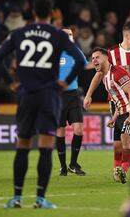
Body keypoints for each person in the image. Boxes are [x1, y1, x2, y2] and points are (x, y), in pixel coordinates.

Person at [0, 0, 85, 209]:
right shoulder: (57, 35)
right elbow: (80, 60)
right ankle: (40, 199)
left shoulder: (19, 33)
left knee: (22, 145)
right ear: (51, 14)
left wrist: (11, 83)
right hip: (48, 95)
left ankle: (16, 197)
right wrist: (65, 83)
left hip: (25, 94)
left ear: (33, 12)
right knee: (45, 146)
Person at [83, 21, 130, 181]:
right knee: (119, 145)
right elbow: (100, 74)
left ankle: (124, 170)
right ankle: (126, 170)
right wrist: (89, 94)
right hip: (116, 103)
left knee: (125, 141)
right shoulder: (112, 53)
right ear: (127, 35)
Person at [91, 47, 130, 184]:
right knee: (118, 147)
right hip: (120, 114)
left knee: (126, 140)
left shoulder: (118, 73)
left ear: (106, 58)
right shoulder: (105, 78)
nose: (94, 60)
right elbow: (117, 98)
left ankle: (122, 172)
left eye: (97, 57)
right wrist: (114, 117)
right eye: (93, 58)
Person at [56, 28, 88, 176]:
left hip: (73, 95)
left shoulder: (76, 52)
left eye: (71, 34)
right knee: (60, 132)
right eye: (67, 34)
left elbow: (86, 65)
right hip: (58, 97)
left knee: (79, 130)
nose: (70, 36)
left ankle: (73, 164)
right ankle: (63, 167)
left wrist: (103, 63)